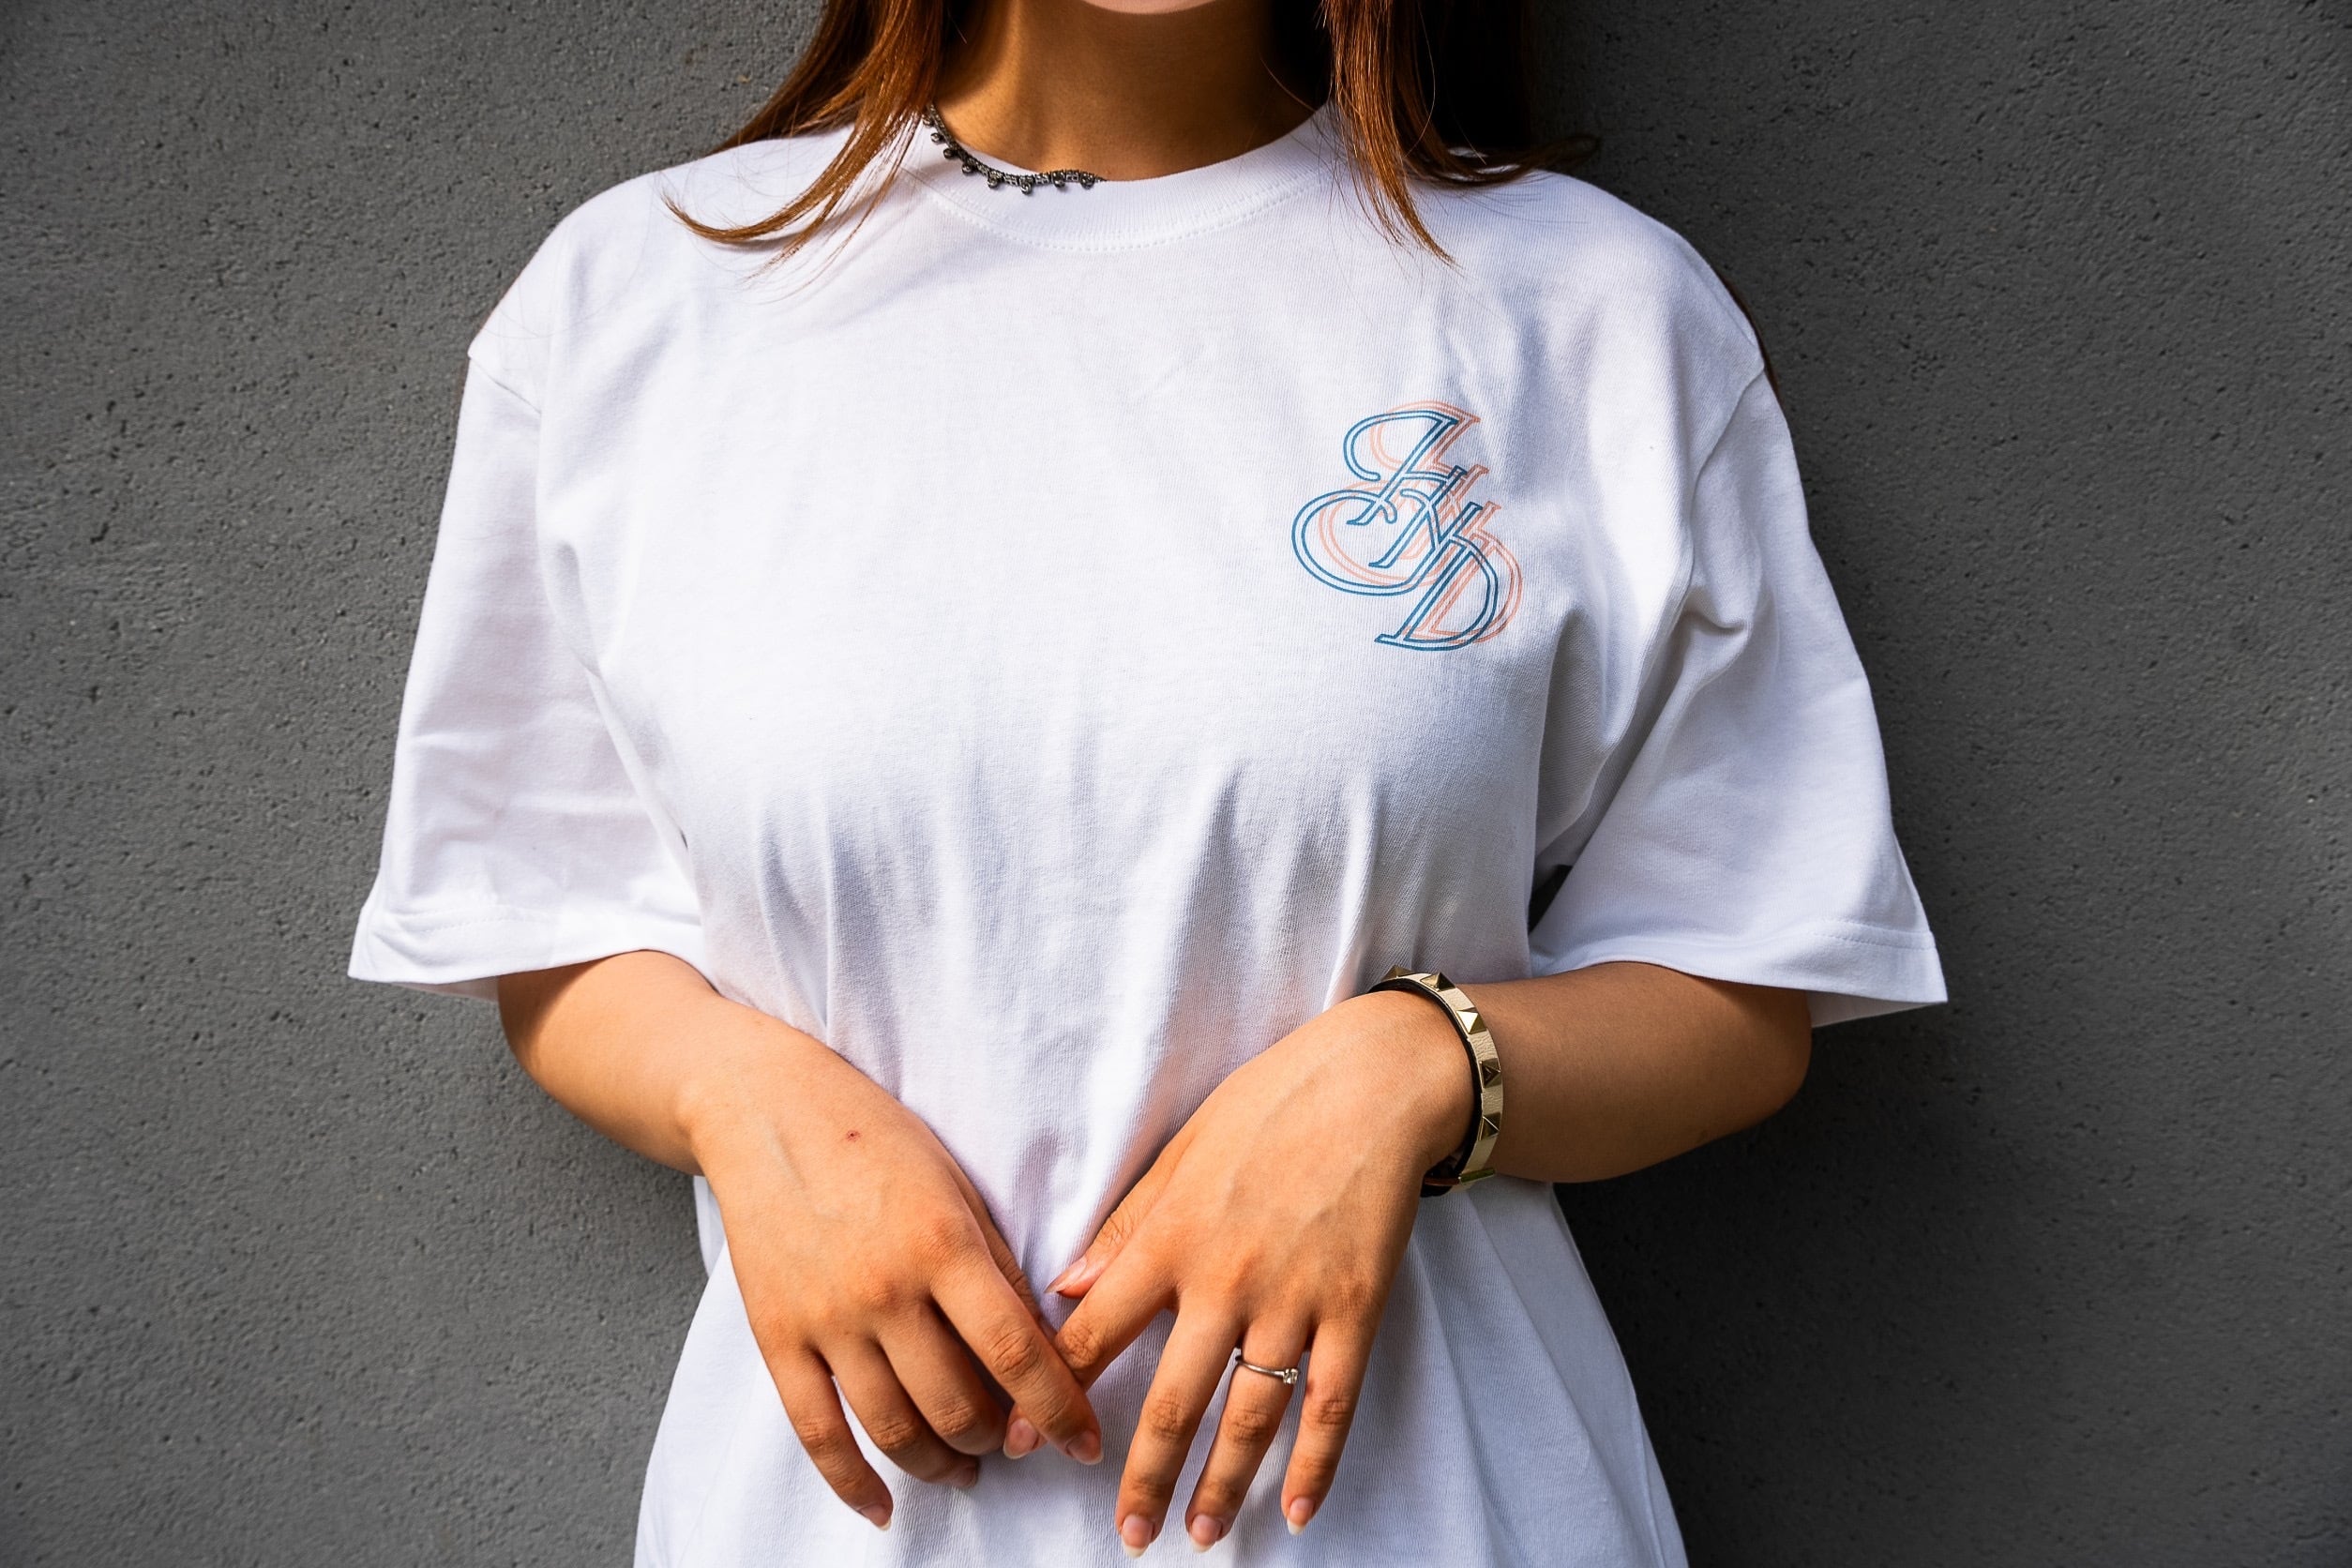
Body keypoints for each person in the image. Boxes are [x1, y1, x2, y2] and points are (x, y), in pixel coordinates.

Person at [348, 0, 1946, 1560]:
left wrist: (1415, 1070)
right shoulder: (641, 299)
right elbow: (543, 922)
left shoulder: (1593, 307)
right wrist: (737, 1098)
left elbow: (1746, 983)